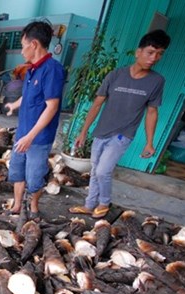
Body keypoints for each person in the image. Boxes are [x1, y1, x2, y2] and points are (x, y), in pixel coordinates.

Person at [69, 29, 171, 219]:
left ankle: (104, 203)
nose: (154, 58)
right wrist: (83, 132)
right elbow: (97, 104)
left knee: (103, 171)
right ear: (138, 52)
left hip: (123, 135)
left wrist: (150, 142)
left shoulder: (156, 81)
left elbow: (152, 112)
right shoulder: (115, 75)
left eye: (159, 54)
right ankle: (89, 204)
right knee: (95, 170)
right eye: (150, 52)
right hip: (101, 131)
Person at [4, 20, 65, 220]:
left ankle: (34, 208)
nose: (22, 52)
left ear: (34, 45)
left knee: (35, 176)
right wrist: (15, 105)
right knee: (18, 171)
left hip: (38, 138)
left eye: (23, 47)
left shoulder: (52, 69)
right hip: (23, 132)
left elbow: (52, 106)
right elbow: (30, 96)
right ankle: (17, 206)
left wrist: (31, 136)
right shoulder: (31, 70)